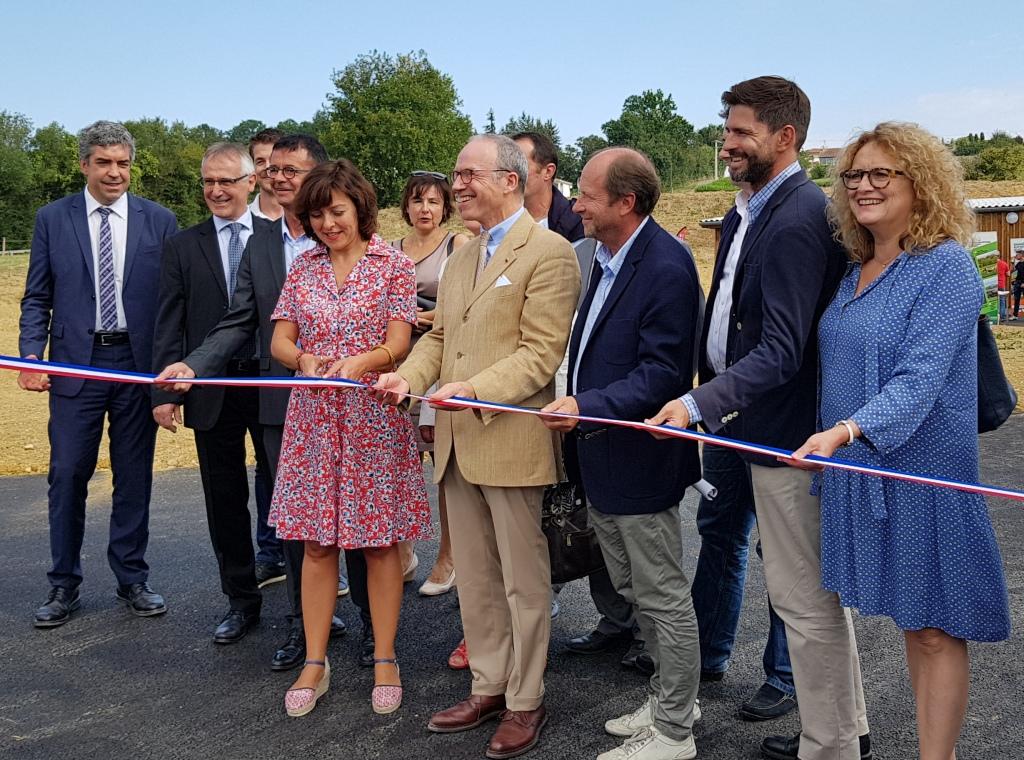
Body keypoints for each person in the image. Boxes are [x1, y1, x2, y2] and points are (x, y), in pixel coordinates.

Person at [647, 76, 870, 760]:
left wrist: (694, 403)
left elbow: (781, 349)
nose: (728, 143)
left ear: (785, 137)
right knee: (784, 582)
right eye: (728, 129)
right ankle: (841, 736)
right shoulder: (750, 208)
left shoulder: (800, 215)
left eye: (742, 132)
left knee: (804, 597)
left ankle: (831, 745)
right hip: (739, 424)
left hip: (780, 432)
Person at [789, 122, 1011, 760]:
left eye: (881, 173)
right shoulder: (857, 267)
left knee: (937, 632)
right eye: (855, 175)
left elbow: (918, 381)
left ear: (921, 183)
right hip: (864, 470)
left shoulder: (943, 267)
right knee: (915, 626)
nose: (863, 186)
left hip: (925, 475)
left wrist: (847, 430)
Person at [375, 134, 580, 759]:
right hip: (456, 443)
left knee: (523, 581)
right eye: (456, 176)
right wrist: (406, 378)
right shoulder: (462, 256)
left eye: (468, 175)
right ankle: (489, 684)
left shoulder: (550, 253)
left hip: (511, 441)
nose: (456, 186)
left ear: (510, 180)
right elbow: (439, 340)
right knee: (480, 581)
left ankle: (526, 700)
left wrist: (474, 389)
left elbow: (541, 353)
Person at [154, 134, 362, 670]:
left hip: (345, 402)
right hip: (279, 402)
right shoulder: (261, 244)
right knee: (295, 521)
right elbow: (239, 320)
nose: (281, 179)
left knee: (355, 514)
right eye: (275, 171)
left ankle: (366, 622)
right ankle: (301, 622)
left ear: (320, 175)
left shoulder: (342, 236)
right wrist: (193, 365)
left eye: (294, 170)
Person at [541, 147, 702, 760]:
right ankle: (671, 701)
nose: (574, 203)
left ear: (625, 203)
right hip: (602, 459)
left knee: (660, 593)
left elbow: (664, 373)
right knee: (637, 590)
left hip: (639, 461)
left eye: (585, 194)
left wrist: (588, 405)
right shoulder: (605, 257)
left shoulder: (665, 265)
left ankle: (675, 732)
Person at [267, 159, 432, 717]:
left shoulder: (393, 265)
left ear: (360, 208)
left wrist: (363, 360)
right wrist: (305, 358)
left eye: (336, 211)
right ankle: (315, 662)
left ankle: (385, 655)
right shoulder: (304, 268)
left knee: (380, 543)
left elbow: (401, 342)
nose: (327, 224)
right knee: (316, 543)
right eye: (316, 215)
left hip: (373, 421)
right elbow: (281, 341)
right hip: (313, 422)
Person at [19, 120, 177, 628]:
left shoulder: (160, 221)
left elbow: (173, 305)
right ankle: (62, 584)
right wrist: (29, 357)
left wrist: (169, 378)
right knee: (67, 474)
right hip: (73, 366)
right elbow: (37, 295)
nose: (115, 172)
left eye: (123, 163)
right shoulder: (52, 218)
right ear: (84, 164)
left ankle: (132, 577)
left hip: (136, 367)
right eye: (104, 162)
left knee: (134, 477)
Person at [151, 142, 273, 643]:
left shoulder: (276, 238)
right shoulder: (183, 246)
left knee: (285, 496)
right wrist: (165, 393)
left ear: (251, 182)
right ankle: (241, 602)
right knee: (224, 500)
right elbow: (169, 324)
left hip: (271, 386)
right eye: (208, 182)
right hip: (208, 389)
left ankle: (306, 610)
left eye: (227, 181)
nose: (216, 191)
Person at [390, 171, 469, 597]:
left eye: (435, 202)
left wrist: (430, 318)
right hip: (402, 364)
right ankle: (404, 552)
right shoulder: (389, 251)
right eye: (418, 200)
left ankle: (449, 556)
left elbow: (469, 306)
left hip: (441, 364)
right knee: (402, 464)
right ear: (406, 206)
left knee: (443, 468)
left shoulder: (458, 246)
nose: (425, 209)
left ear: (445, 208)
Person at [512, 131, 584, 241]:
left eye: (519, 165)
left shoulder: (579, 222)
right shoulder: (500, 223)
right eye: (506, 166)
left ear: (548, 172)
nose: (510, 174)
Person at [248, 128, 284, 221]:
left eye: (273, 159)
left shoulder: (308, 219)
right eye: (260, 161)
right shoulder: (241, 220)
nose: (267, 167)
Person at [997, 252, 1010, 323]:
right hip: (1001, 284)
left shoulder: (992, 264)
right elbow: (1008, 274)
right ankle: (1002, 317)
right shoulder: (1004, 264)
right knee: (1002, 300)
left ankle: (996, 316)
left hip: (993, 285)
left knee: (994, 301)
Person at [1013, 250, 1024, 320]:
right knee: (1016, 299)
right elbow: (1013, 271)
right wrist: (1013, 262)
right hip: (1017, 283)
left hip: (1023, 283)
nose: (1016, 255)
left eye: (1018, 254)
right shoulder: (1018, 263)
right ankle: (1015, 315)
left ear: (1022, 255)